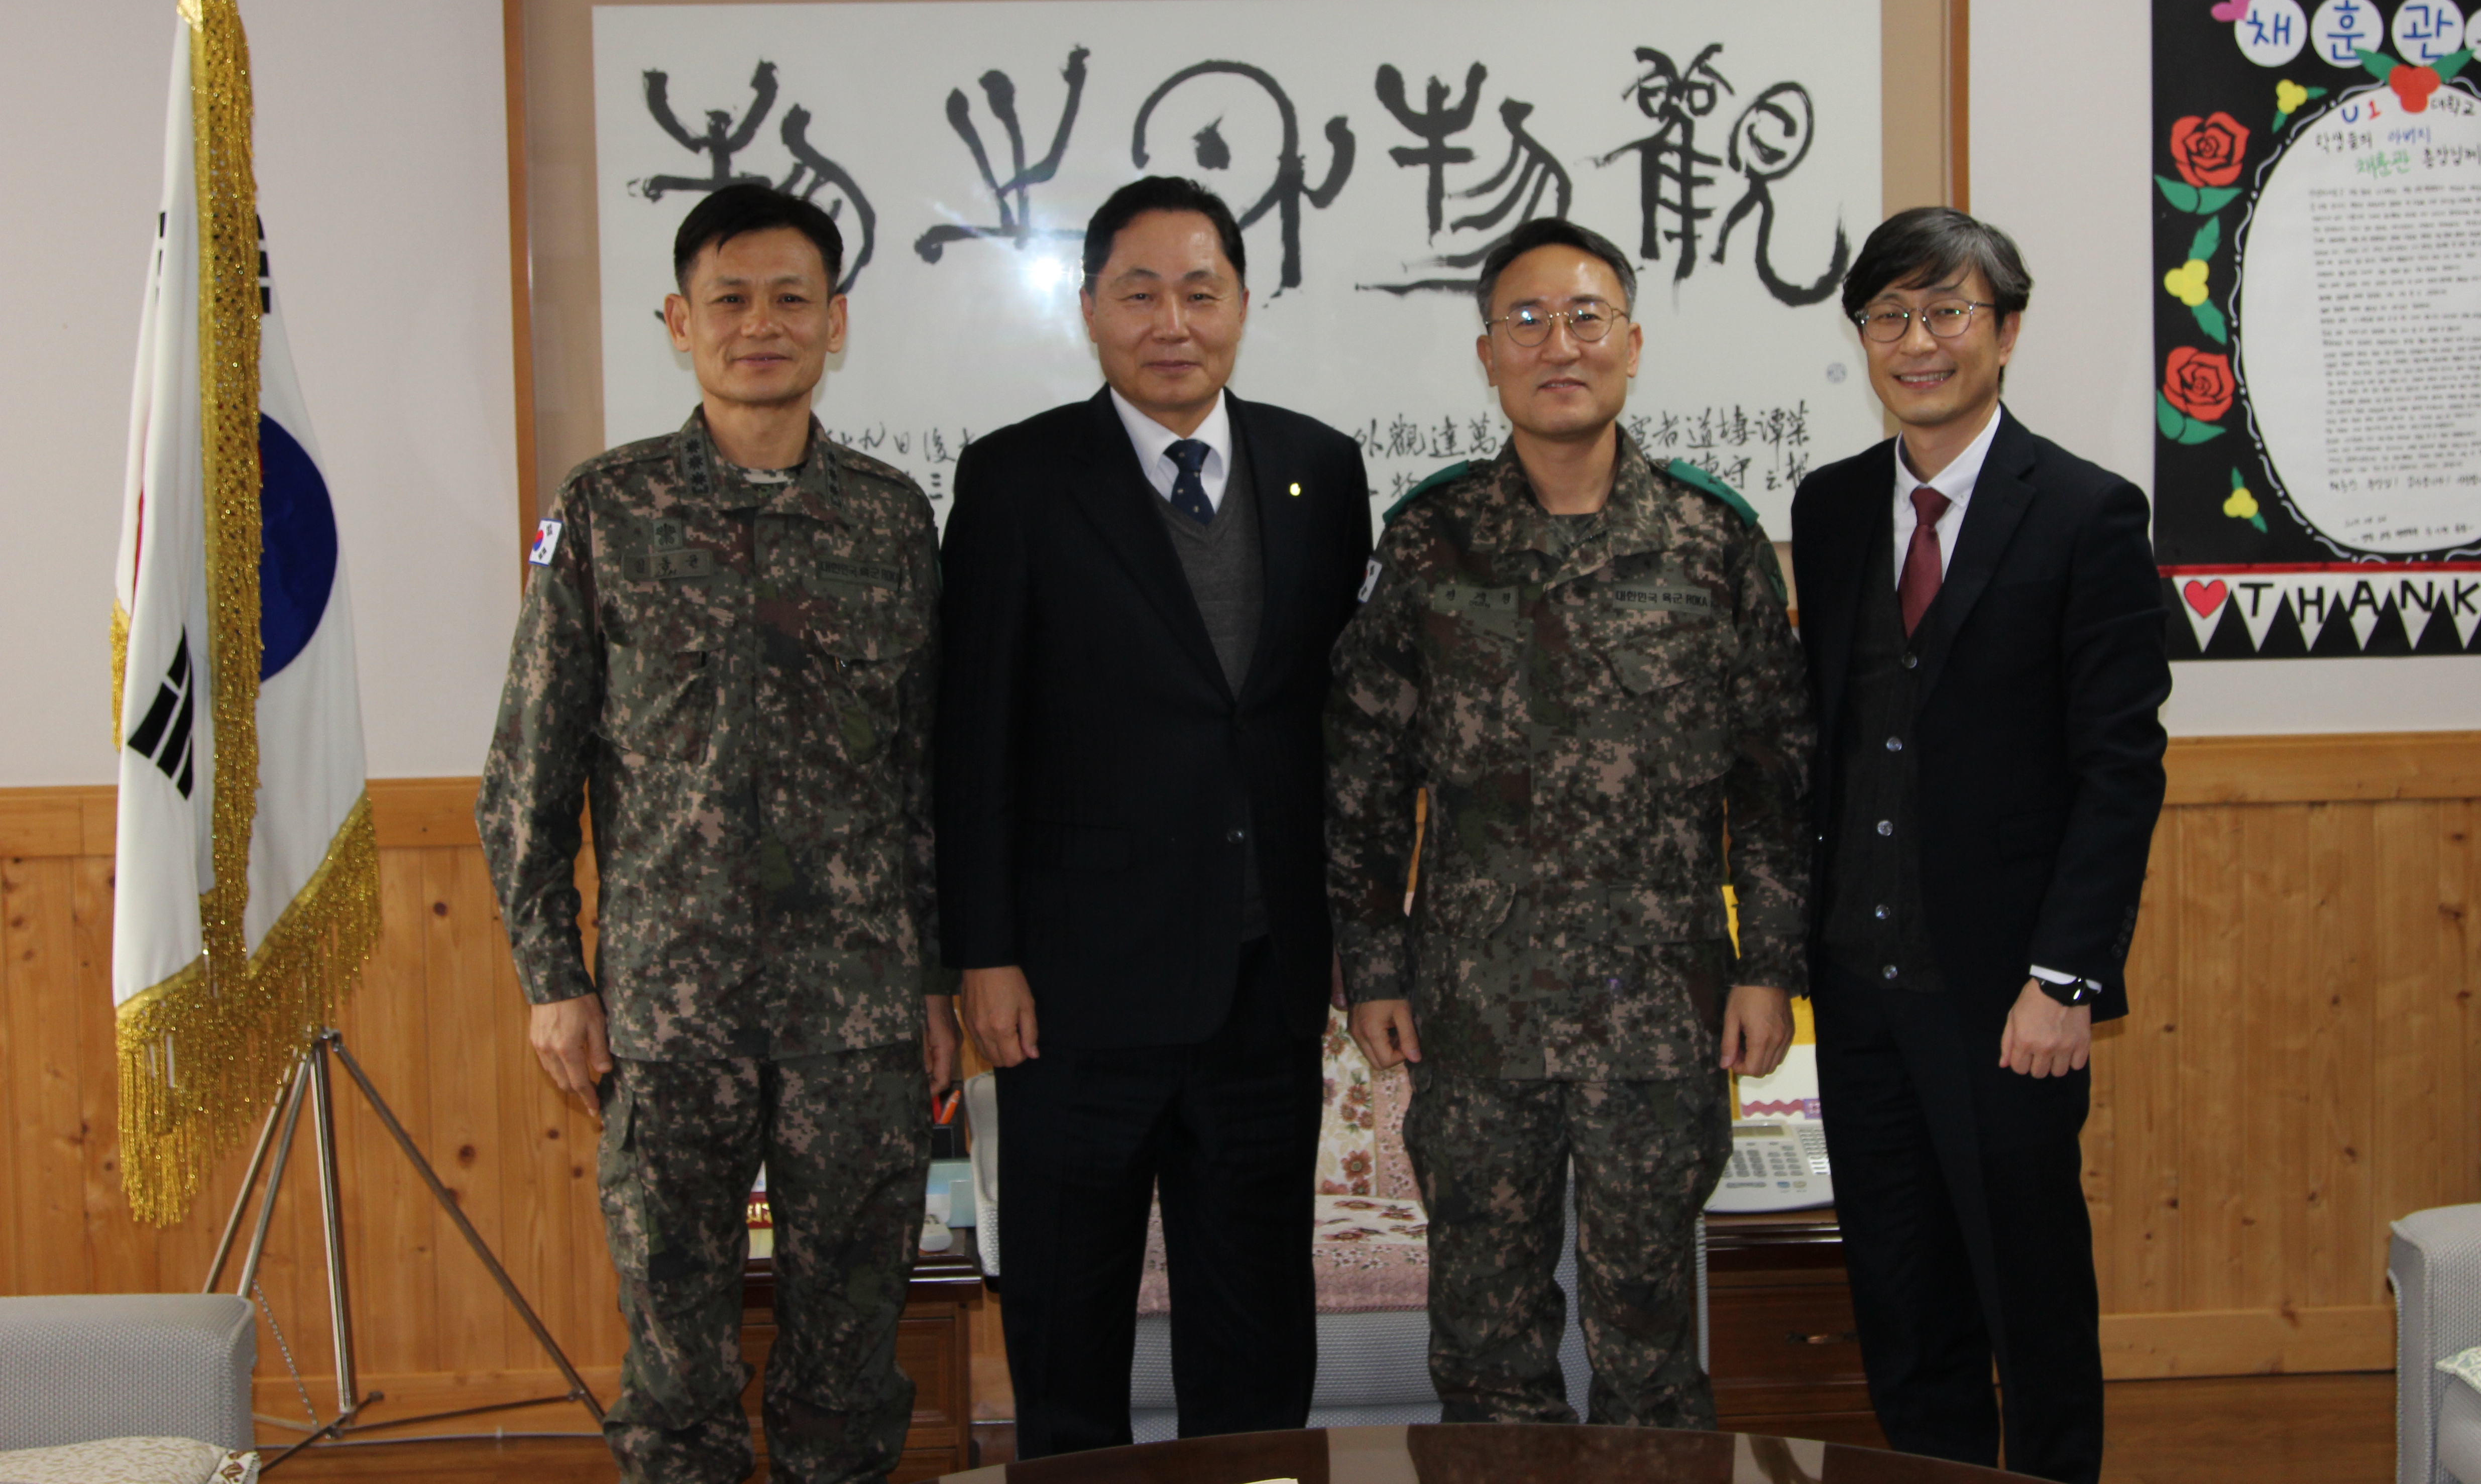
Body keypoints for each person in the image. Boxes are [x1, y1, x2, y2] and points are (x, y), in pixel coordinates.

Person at [478, 183, 958, 1484]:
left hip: (855, 1023)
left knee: (847, 1374)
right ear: (679, 323)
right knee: (678, 1381)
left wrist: (928, 975)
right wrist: (554, 979)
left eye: (791, 298)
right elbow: (531, 765)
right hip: (667, 1014)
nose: (762, 324)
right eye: (730, 300)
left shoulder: (888, 518)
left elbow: (924, 775)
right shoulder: (610, 510)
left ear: (836, 322)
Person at [1325, 217, 1812, 1427]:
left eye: (1585, 316)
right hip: (1473, 1015)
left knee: (1649, 1355)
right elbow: (1364, 771)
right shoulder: (1428, 539)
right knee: (1486, 1352)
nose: (1559, 344)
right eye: (1527, 320)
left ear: (1632, 344)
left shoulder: (1712, 542)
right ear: (1487, 352)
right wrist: (1372, 962)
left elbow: (1773, 781)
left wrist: (1768, 972)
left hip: (1660, 1014)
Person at [937, 175, 1372, 1456]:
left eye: (1200, 289)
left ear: (1242, 304)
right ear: (1089, 310)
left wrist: (1350, 921)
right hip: (1073, 984)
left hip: (1263, 979)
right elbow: (973, 737)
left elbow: (1331, 720)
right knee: (1067, 1326)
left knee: (1252, 1327)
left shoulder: (1318, 469)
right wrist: (984, 948)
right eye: (1139, 291)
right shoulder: (1017, 477)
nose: (1170, 320)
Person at [1790, 207, 2171, 1483]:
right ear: (1862, 339)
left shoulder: (2083, 512)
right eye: (1888, 315)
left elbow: (2120, 766)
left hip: (2006, 993)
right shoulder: (1834, 504)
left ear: (2003, 330)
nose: (1917, 340)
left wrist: (2064, 977)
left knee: (2031, 1298)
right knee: (1901, 1301)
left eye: (1946, 310)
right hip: (1856, 988)